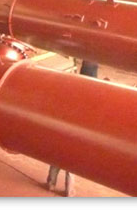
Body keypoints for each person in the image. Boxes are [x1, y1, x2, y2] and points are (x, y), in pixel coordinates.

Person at [46, 60, 99, 197]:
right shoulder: (93, 94)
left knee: (57, 155)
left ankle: (51, 183)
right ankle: (69, 190)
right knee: (71, 160)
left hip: (64, 126)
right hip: (77, 130)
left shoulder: (74, 86)